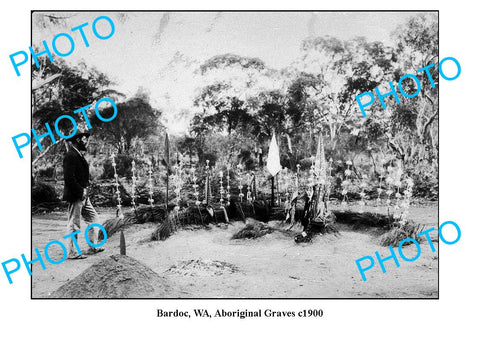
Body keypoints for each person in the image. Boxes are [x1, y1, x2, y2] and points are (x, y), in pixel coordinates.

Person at [63, 132, 104, 259]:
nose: (85, 141)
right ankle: (72, 252)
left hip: (83, 195)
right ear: (76, 140)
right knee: (74, 224)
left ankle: (93, 246)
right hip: (76, 195)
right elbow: (69, 178)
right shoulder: (70, 155)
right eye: (83, 139)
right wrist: (81, 191)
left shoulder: (78, 154)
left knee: (94, 219)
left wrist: (85, 190)